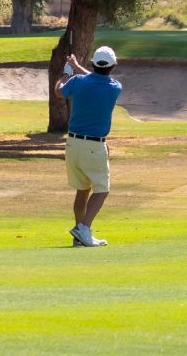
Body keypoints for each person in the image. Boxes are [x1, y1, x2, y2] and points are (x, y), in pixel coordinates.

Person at [54, 46, 122, 247]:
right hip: (94, 146)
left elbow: (59, 91)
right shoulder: (115, 87)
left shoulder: (78, 81)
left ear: (93, 63)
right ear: (113, 65)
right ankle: (83, 228)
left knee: (82, 190)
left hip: (72, 144)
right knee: (102, 190)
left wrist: (67, 72)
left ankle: (79, 236)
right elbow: (96, 78)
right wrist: (76, 67)